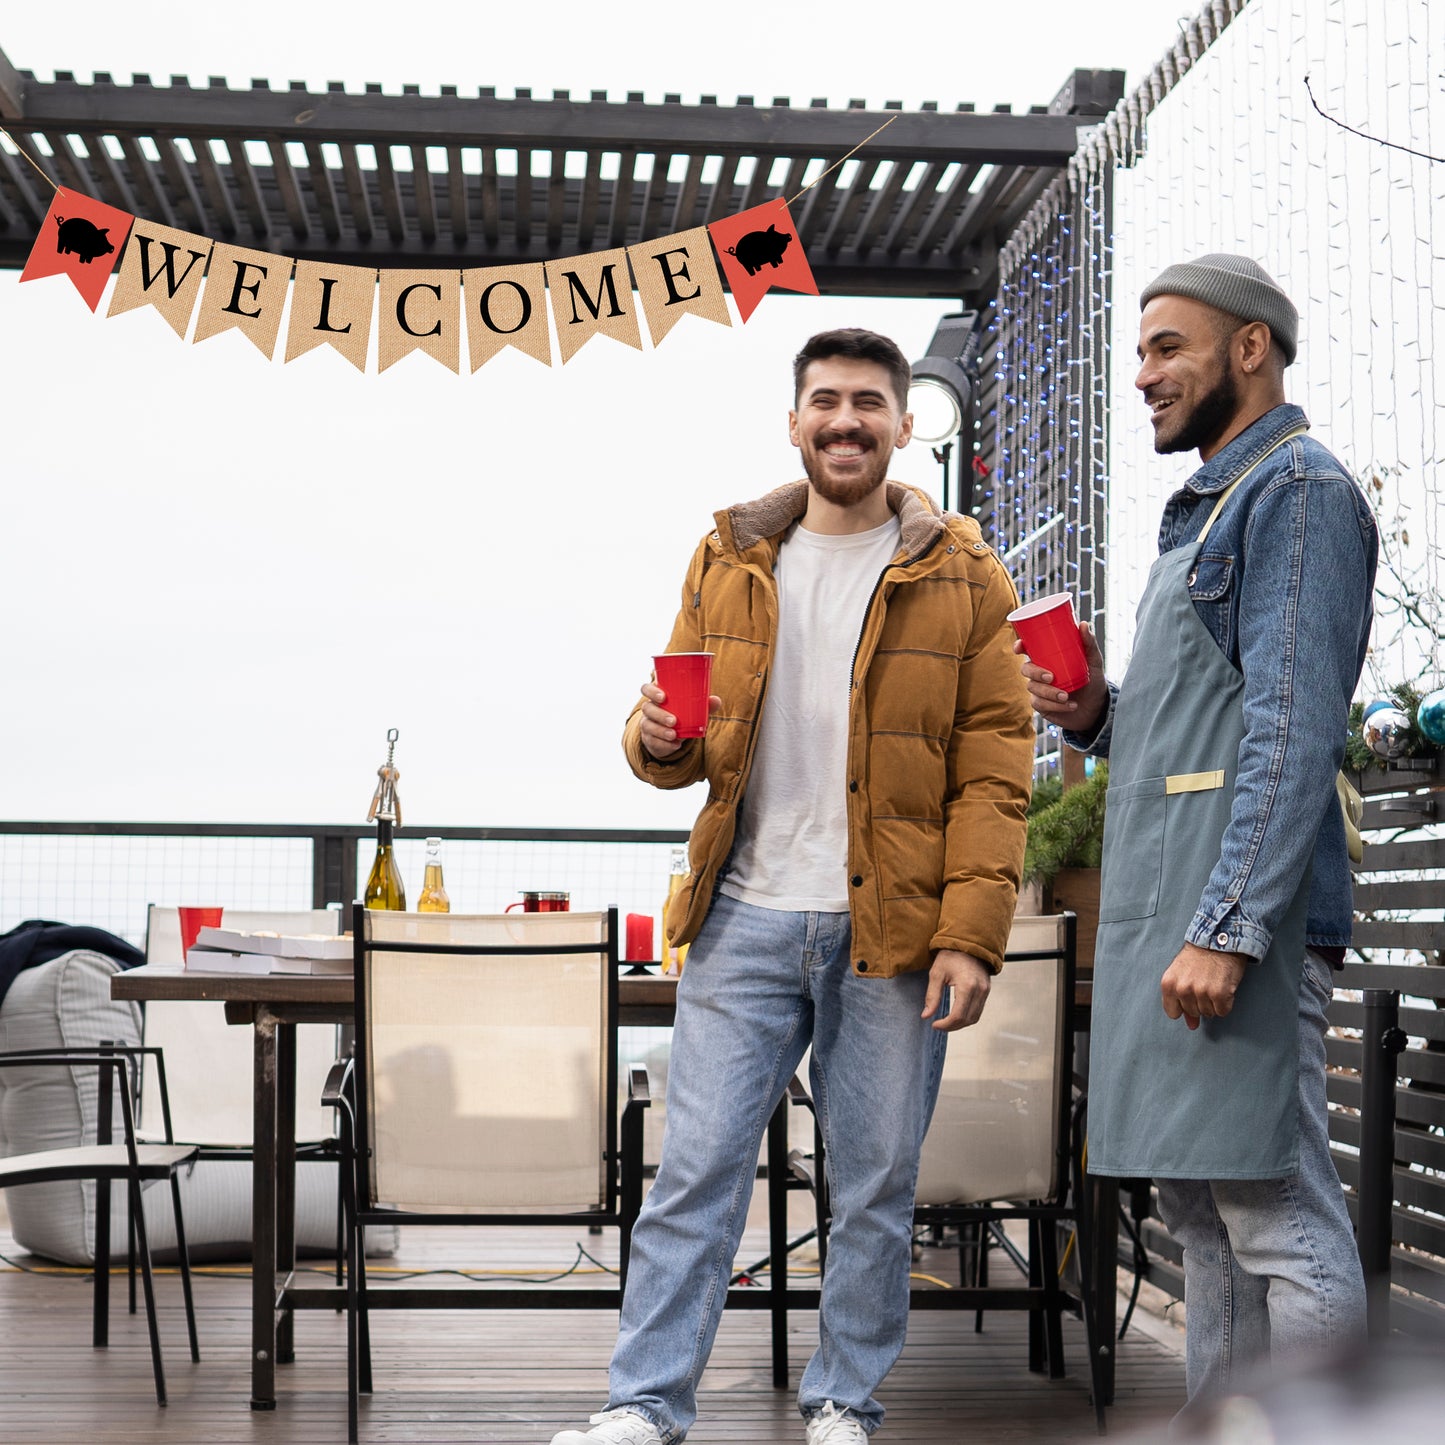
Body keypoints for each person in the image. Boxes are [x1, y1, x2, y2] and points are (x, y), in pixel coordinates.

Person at [552, 328, 1034, 1445]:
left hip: (895, 930)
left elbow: (996, 767)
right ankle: (644, 1401)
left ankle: (839, 1401)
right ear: (793, 420)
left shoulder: (961, 572)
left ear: (902, 425)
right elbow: (666, 743)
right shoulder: (726, 556)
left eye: (869, 402)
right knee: (695, 1172)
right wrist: (654, 734)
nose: (845, 421)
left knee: (869, 1185)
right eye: (825, 401)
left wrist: (970, 932)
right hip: (743, 913)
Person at [1020, 255, 1376, 1413]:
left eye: (1166, 347)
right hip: (1170, 920)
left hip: (1236, 927)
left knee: (1272, 1210)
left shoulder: (1299, 492)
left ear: (1249, 348)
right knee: (1201, 1215)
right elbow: (1196, 741)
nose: (1142, 374)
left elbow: (1289, 728)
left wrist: (1228, 928)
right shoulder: (1209, 507)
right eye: (1137, 351)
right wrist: (1095, 713)